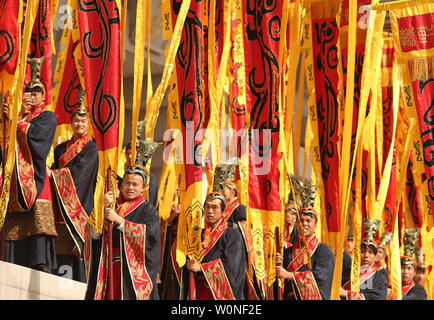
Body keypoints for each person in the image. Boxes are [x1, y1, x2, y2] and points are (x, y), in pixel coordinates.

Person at [84, 139, 161, 300]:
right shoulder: (114, 205)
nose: (130, 188)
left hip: (130, 272)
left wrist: (120, 221)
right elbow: (96, 236)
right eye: (127, 183)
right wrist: (102, 209)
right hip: (108, 266)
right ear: (121, 185)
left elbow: (150, 239)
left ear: (143, 189)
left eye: (135, 184)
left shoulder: (149, 211)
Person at [2, 57, 57, 273]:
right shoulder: (18, 114)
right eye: (29, 92)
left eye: (37, 92)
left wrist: (17, 120)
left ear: (43, 96)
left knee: (36, 227)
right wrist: (13, 119)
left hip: (36, 177)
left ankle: (39, 263)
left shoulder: (47, 117)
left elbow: (38, 140)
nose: (32, 96)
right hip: (15, 179)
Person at [49, 92, 99, 282]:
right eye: (76, 120)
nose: (79, 124)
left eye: (83, 121)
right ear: (71, 122)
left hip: (79, 208)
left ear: (89, 124)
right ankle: (60, 291)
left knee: (76, 254)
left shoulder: (92, 148)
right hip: (59, 210)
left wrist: (53, 175)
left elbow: (80, 174)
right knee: (60, 254)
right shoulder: (60, 149)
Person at [276, 184, 335, 300]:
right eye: (301, 220)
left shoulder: (324, 251)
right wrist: (277, 264)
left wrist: (289, 275)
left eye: (308, 220)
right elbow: (280, 282)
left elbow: (320, 279)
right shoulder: (287, 252)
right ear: (296, 223)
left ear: (315, 224)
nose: (304, 224)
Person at [185, 191, 247, 300]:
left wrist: (201, 268)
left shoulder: (232, 235)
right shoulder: (199, 235)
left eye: (215, 207)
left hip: (218, 295)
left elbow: (232, 266)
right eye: (207, 207)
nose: (210, 211)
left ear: (223, 211)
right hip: (199, 293)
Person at [340, 218, 389, 300]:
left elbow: (378, 297)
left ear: (375, 256)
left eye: (370, 252)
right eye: (362, 251)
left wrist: (347, 294)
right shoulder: (348, 271)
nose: (366, 255)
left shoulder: (379, 278)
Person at [387, 228, 427, 300]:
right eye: (402, 268)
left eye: (409, 268)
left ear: (414, 272)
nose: (405, 272)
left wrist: (391, 294)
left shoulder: (419, 290)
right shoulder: (390, 288)